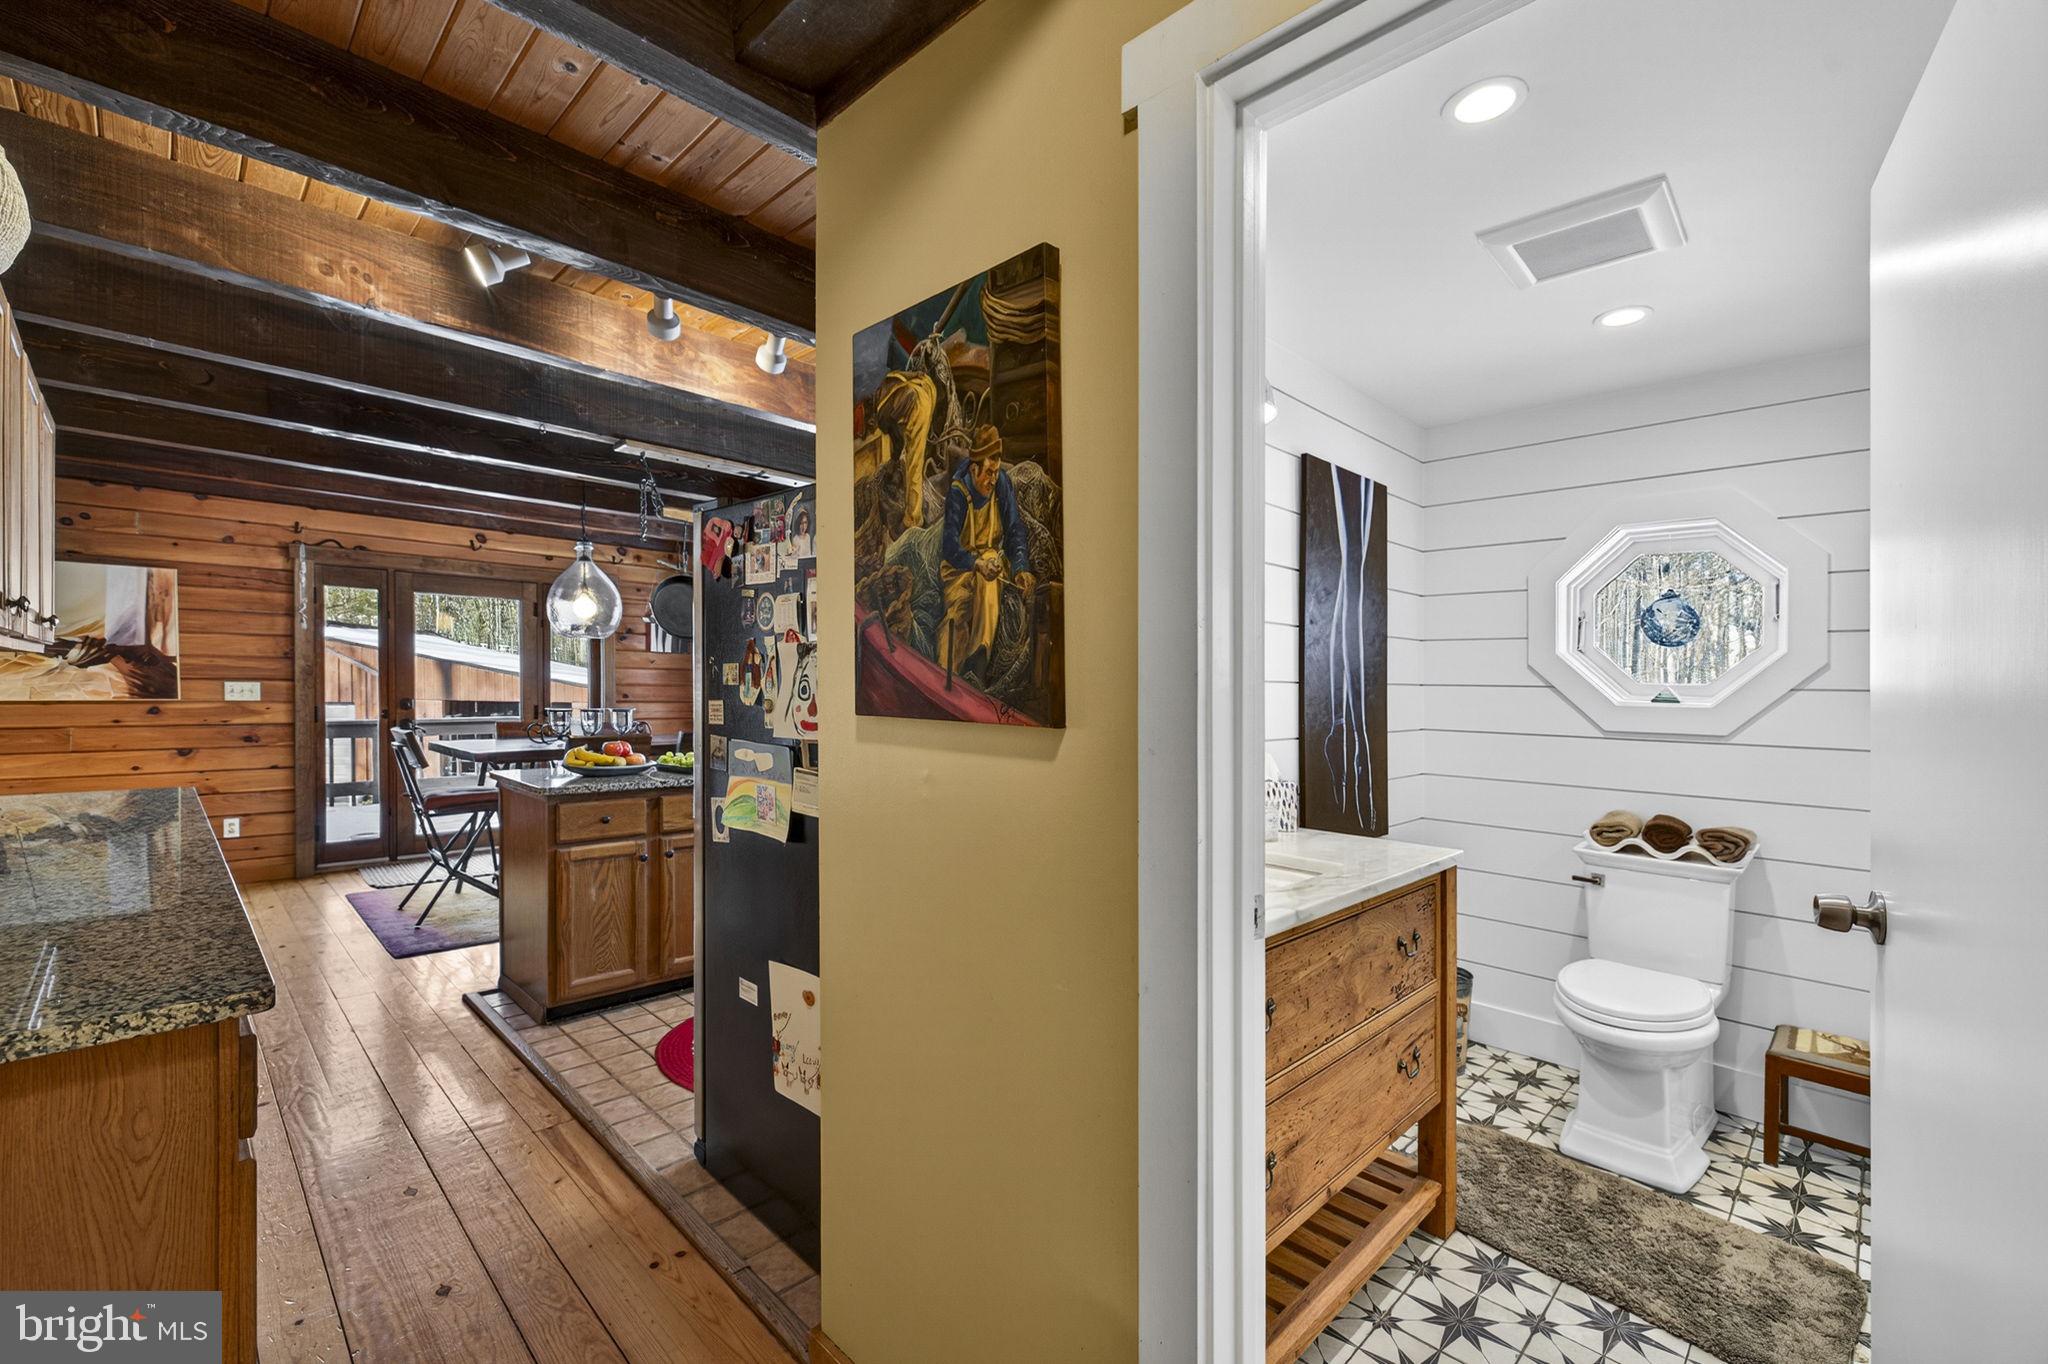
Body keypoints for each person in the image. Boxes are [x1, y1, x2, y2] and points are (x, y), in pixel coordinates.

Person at [938, 422, 1035, 685]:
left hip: (989, 565)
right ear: (973, 469)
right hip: (958, 570)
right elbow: (949, 546)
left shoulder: (1001, 483)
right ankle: (947, 680)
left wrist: (1021, 567)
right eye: (988, 472)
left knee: (990, 574)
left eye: (996, 471)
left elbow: (1014, 529)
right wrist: (974, 563)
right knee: (954, 622)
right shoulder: (958, 494)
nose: (993, 478)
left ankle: (978, 662)